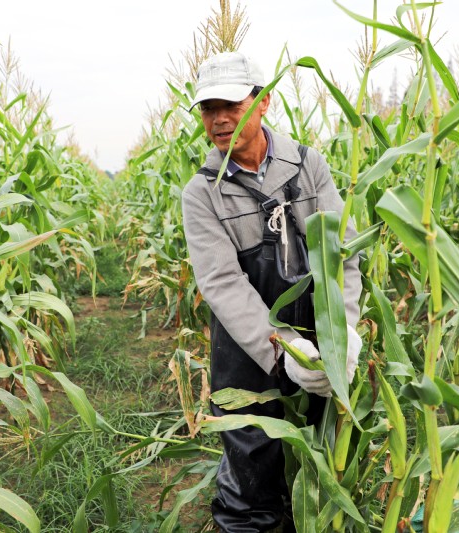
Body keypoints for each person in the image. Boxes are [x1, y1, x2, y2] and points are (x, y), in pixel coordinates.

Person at [181, 51, 363, 533]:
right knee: (252, 478)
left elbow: (340, 256)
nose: (219, 119)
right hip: (249, 353)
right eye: (208, 109)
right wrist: (286, 352)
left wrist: (343, 331)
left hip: (320, 339)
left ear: (263, 102)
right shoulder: (202, 192)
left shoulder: (307, 165)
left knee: (324, 466)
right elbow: (222, 283)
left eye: (231, 105)